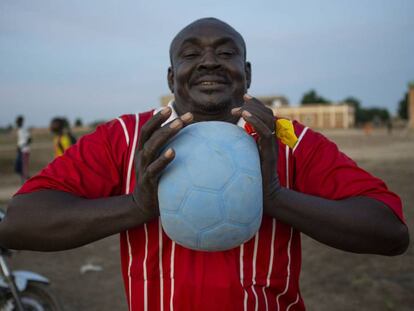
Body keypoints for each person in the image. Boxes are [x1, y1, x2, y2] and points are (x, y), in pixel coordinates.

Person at [0, 18, 409, 311]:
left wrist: (274, 197)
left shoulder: (285, 139)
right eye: (191, 54)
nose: (209, 61)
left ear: (246, 73)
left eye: (227, 53)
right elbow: (21, 221)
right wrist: (136, 207)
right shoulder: (126, 138)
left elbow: (390, 232)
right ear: (170, 76)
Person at [14, 115, 31, 183]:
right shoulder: (19, 130)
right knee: (18, 168)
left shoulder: (24, 129)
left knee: (24, 168)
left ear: (21, 122)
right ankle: (24, 181)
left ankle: (26, 182)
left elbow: (30, 139)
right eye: (16, 122)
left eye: (18, 121)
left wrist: (21, 146)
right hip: (20, 151)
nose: (17, 123)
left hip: (25, 150)